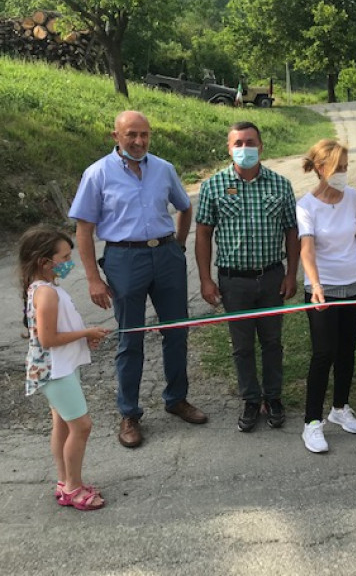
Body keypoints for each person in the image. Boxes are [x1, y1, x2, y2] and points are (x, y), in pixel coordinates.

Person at [69, 110, 207, 449]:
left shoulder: (164, 169)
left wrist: (177, 245)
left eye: (144, 134)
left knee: (176, 331)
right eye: (131, 134)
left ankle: (176, 399)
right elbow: (84, 229)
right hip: (124, 258)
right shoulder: (97, 173)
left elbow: (184, 206)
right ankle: (129, 413)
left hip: (166, 255)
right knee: (131, 337)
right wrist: (93, 279)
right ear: (115, 136)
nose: (139, 141)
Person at [195, 121, 300, 433]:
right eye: (238, 143)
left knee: (272, 342)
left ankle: (274, 397)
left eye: (250, 142)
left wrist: (291, 274)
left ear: (261, 146)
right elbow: (202, 234)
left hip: (271, 278)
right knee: (242, 346)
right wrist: (205, 279)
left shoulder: (280, 185)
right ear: (229, 149)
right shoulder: (214, 186)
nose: (244, 149)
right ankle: (251, 400)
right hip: (233, 281)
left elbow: (292, 232)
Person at [19, 225, 109, 510]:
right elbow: (48, 339)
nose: (69, 262)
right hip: (54, 370)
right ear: (44, 262)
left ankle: (64, 481)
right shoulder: (46, 293)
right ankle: (72, 487)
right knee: (81, 426)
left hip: (61, 366)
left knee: (62, 422)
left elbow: (58, 330)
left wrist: (83, 338)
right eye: (65, 256)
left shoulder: (47, 288)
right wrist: (85, 334)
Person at [297, 139, 356, 453]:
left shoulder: (353, 197)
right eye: (338, 168)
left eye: (345, 167)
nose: (343, 173)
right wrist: (315, 285)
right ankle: (312, 423)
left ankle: (339, 407)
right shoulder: (306, 205)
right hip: (323, 291)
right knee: (322, 354)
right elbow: (307, 249)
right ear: (319, 169)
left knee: (346, 351)